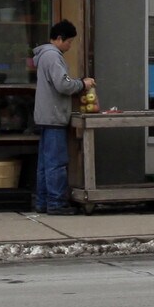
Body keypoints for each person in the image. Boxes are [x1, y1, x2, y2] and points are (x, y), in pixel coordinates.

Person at [31, 20, 93, 214]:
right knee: (56, 163)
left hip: (45, 115)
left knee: (45, 164)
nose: (70, 46)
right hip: (54, 115)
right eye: (69, 42)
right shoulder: (53, 56)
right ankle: (56, 203)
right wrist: (82, 84)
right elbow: (63, 85)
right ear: (59, 38)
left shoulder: (43, 56)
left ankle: (42, 201)